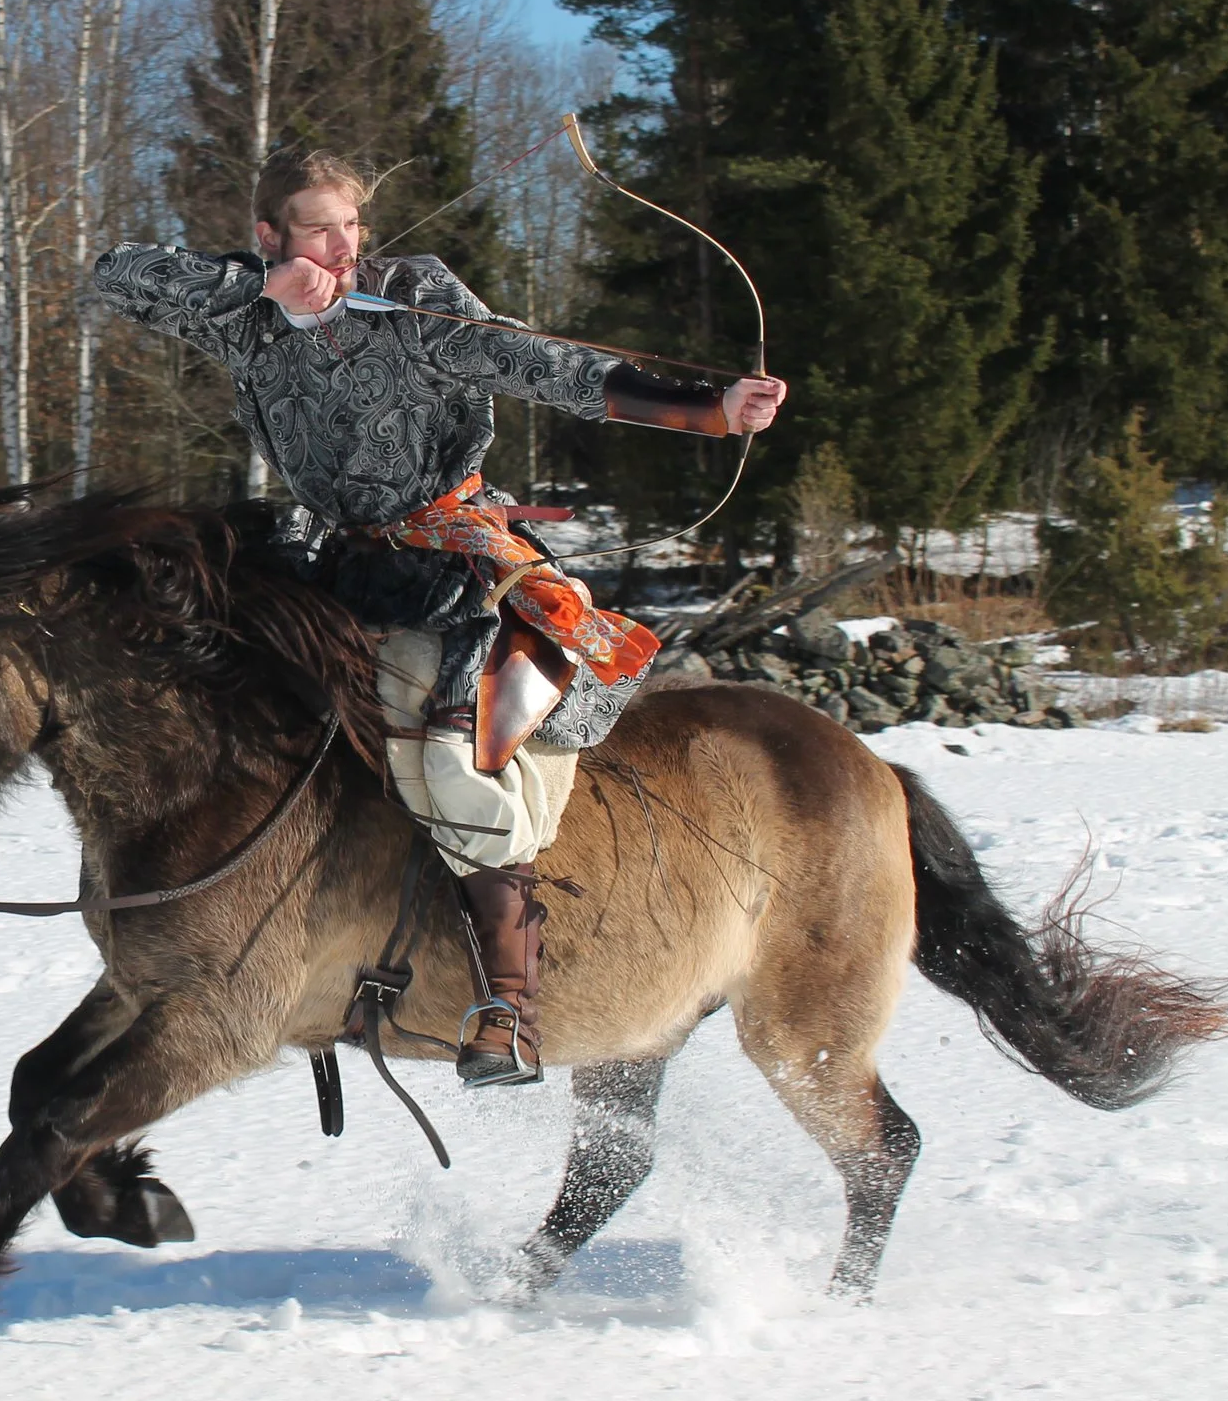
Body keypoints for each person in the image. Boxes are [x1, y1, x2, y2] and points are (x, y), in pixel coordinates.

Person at [92, 150, 786, 1086]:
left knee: (448, 752)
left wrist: (712, 412)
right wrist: (268, 287)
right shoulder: (246, 312)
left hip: (447, 565)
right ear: (270, 234)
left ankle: (509, 1004)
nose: (340, 247)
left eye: (350, 226)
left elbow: (544, 367)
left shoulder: (412, 297)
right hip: (326, 566)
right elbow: (117, 276)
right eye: (314, 228)